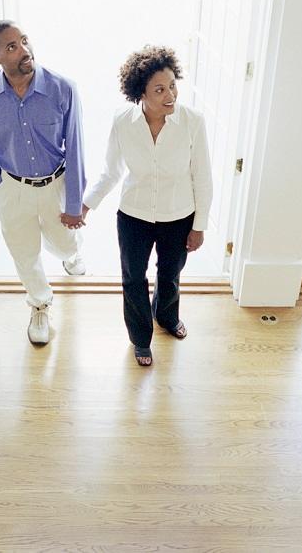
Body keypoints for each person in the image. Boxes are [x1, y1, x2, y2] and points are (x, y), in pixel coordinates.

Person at [81, 46, 212, 367]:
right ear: (141, 93)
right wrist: (86, 205)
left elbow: (203, 177)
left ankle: (166, 317)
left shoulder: (192, 121)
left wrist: (199, 226)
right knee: (133, 278)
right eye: (160, 89)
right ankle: (140, 338)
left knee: (170, 275)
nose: (170, 95)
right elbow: (111, 171)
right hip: (134, 216)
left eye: (172, 85)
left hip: (179, 215)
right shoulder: (123, 122)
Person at [0, 20, 88, 346]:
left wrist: (75, 203)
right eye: (11, 47)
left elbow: (76, 147)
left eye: (23, 41)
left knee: (65, 242)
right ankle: (39, 303)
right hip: (12, 188)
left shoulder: (63, 89)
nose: (23, 49)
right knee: (24, 253)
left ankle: (69, 255)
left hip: (56, 185)